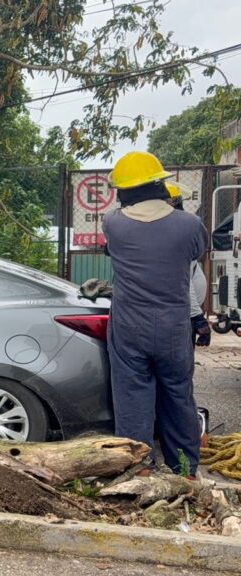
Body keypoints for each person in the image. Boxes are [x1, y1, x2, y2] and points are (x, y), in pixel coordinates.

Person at [103, 152, 206, 477]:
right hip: (173, 328)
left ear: (124, 191)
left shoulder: (114, 224)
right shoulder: (189, 225)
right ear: (161, 184)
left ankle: (140, 469)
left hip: (129, 327)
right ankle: (186, 469)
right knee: (178, 396)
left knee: (132, 396)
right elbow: (196, 252)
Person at [165, 182, 212, 347]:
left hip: (185, 310)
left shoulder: (175, 229)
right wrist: (198, 319)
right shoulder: (178, 231)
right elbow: (184, 283)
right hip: (184, 312)